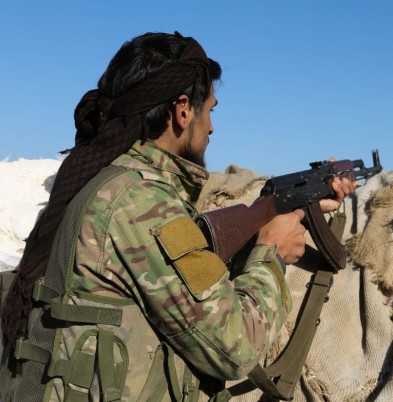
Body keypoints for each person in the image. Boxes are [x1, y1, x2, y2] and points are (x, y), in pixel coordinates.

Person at [0, 32, 354, 401]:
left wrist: (301, 208)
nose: (212, 126)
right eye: (210, 110)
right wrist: (271, 254)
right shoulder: (139, 203)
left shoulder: (99, 179)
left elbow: (171, 279)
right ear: (182, 110)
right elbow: (235, 348)